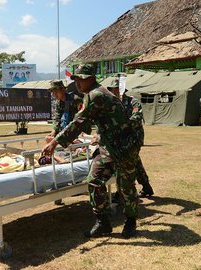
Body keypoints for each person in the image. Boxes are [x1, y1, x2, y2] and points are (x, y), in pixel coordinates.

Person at [42, 64, 140, 238]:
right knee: (94, 181)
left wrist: (55, 143)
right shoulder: (91, 94)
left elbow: (79, 121)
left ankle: (131, 222)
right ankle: (103, 223)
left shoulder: (97, 94)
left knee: (126, 187)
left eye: (81, 79)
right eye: (76, 79)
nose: (78, 83)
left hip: (124, 146)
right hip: (108, 146)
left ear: (91, 79)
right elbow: (83, 123)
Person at [107, 78, 154, 198]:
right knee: (134, 161)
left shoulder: (133, 101)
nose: (114, 92)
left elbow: (137, 118)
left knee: (126, 162)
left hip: (134, 137)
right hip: (122, 139)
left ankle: (121, 192)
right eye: (112, 90)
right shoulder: (113, 104)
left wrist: (123, 126)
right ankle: (146, 186)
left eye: (116, 89)